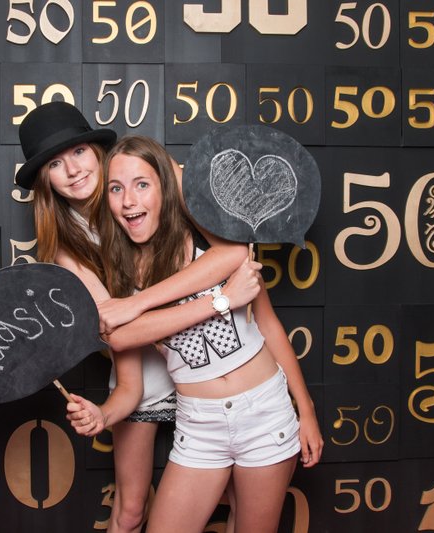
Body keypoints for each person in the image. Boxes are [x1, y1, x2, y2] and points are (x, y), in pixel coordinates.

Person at [15, 102, 254, 533]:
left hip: (210, 358)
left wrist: (143, 304)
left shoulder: (149, 175)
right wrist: (109, 408)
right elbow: (119, 335)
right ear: (44, 181)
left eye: (79, 152)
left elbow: (234, 254)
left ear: (98, 151)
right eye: (55, 164)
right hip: (143, 370)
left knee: (239, 494)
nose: (73, 170)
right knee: (129, 511)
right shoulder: (67, 249)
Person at [71, 135, 323, 533]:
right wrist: (102, 414)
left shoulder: (211, 239)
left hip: (265, 413)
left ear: (165, 188)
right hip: (199, 425)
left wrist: (305, 411)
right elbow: (124, 357)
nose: (128, 201)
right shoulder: (118, 277)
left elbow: (269, 326)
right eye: (116, 189)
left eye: (142, 184)